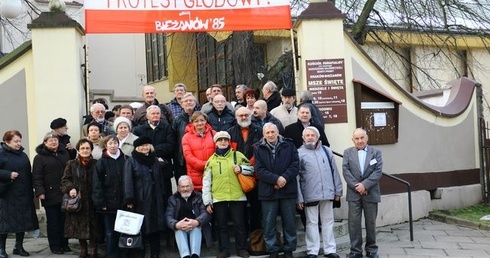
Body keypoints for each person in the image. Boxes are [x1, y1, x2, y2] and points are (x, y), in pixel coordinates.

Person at [202, 131, 253, 258]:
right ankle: (224, 250)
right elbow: (206, 182)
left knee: (239, 225)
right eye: (220, 140)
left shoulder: (238, 155)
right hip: (219, 198)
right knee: (222, 226)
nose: (223, 142)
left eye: (225, 139)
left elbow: (252, 169)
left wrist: (241, 169)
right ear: (216, 143)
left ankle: (241, 248)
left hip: (237, 196)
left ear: (229, 141)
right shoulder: (211, 161)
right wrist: (207, 201)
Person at [253, 123, 299, 258]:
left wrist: (283, 178)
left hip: (287, 189)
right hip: (268, 191)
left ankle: (288, 249)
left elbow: (295, 165)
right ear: (263, 135)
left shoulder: (289, 145)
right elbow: (259, 170)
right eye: (267, 133)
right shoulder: (258, 147)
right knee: (268, 223)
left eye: (273, 132)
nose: (270, 135)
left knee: (289, 222)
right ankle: (272, 250)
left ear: (278, 132)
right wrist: (276, 179)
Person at [296, 127, 342, 258]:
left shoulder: (326, 151)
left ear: (318, 137)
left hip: (327, 193)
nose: (310, 137)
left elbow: (335, 171)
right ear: (303, 138)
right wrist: (299, 198)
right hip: (310, 194)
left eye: (312, 135)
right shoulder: (299, 153)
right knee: (312, 223)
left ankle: (330, 249)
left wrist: (338, 190)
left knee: (328, 221)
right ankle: (312, 250)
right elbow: (297, 178)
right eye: (307, 135)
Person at [342, 128, 383, 258]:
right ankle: (355, 251)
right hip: (354, 194)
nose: (360, 141)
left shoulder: (376, 152)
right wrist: (357, 187)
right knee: (354, 224)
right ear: (353, 140)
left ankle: (371, 250)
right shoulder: (347, 153)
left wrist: (365, 185)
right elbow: (346, 171)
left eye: (362, 138)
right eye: (357, 138)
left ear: (367, 138)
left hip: (370, 192)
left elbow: (378, 171)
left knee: (371, 223)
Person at [124, 136, 167, 258]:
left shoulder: (154, 161)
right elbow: (128, 181)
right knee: (140, 227)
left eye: (147, 145)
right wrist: (129, 199)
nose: (145, 148)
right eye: (142, 146)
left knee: (156, 227)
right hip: (140, 200)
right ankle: (140, 253)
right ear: (137, 148)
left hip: (155, 198)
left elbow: (160, 180)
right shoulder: (131, 161)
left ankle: (155, 253)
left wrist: (162, 195)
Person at [0, 130, 39, 258]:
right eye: (15, 141)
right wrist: (8, 174)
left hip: (23, 193)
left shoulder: (22, 155)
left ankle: (19, 246)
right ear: (7, 142)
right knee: (4, 223)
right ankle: (1, 249)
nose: (19, 143)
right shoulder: (1, 154)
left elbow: (28, 173)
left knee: (22, 221)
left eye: (20, 141)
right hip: (7, 194)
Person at [32, 132, 71, 255]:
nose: (53, 142)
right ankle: (55, 245)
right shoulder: (39, 157)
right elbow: (37, 177)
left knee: (64, 220)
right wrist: (40, 192)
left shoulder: (64, 153)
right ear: (45, 143)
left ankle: (64, 244)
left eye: (55, 140)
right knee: (53, 221)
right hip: (49, 193)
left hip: (64, 191)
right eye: (50, 140)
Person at [226, 107, 263, 233]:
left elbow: (261, 151)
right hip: (237, 175)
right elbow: (230, 153)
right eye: (240, 115)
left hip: (256, 174)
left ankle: (256, 237)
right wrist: (240, 168)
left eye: (246, 115)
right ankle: (243, 236)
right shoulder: (230, 132)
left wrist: (249, 166)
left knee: (256, 207)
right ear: (236, 117)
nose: (243, 117)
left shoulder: (260, 130)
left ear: (250, 115)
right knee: (240, 209)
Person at [61, 138, 98, 258]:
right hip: (79, 200)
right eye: (82, 148)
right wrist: (70, 188)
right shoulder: (71, 164)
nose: (85, 150)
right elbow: (65, 180)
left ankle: (93, 249)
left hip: (93, 199)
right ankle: (83, 248)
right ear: (78, 150)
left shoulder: (97, 163)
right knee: (79, 226)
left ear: (91, 149)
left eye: (87, 148)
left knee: (94, 226)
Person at [92, 136, 127, 258]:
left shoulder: (125, 159)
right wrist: (101, 203)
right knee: (110, 232)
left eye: (115, 143)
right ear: (106, 145)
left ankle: (124, 254)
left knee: (123, 231)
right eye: (110, 143)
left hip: (123, 203)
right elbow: (97, 185)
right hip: (108, 203)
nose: (113, 146)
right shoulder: (101, 162)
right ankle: (111, 254)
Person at [133, 105, 176, 199]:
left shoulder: (167, 127)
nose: (155, 115)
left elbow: (171, 145)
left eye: (157, 113)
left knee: (165, 195)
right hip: (145, 166)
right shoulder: (139, 130)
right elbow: (137, 147)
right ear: (147, 116)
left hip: (164, 166)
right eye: (153, 113)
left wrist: (152, 150)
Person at [166, 176, 212, 258]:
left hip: (196, 226)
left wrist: (197, 221)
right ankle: (185, 256)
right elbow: (168, 216)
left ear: (192, 186)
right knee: (178, 230)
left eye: (187, 186)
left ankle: (195, 255)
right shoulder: (172, 199)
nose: (185, 189)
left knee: (196, 227)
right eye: (182, 187)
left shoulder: (199, 196)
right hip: (180, 227)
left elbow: (206, 213)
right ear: (178, 188)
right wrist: (176, 224)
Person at [181, 111, 216, 191]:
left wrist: (212, 164)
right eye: (196, 121)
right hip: (195, 174)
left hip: (213, 171)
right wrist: (204, 164)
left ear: (206, 121)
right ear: (192, 123)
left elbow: (218, 151)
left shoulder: (213, 134)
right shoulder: (186, 137)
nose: (200, 123)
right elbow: (188, 156)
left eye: (202, 120)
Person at [172, 93, 200, 181]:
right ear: (181, 104)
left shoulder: (201, 117)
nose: (188, 103)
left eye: (191, 100)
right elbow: (174, 139)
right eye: (186, 101)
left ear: (195, 103)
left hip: (198, 156)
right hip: (182, 159)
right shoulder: (177, 120)